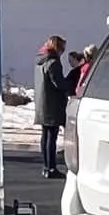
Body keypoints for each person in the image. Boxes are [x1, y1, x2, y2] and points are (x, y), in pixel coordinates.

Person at [34, 35, 71, 179]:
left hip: (42, 103)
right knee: (52, 137)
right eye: (62, 48)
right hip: (52, 104)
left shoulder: (39, 61)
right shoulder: (53, 63)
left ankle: (46, 166)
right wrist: (69, 85)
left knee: (45, 136)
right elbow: (58, 84)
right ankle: (51, 168)